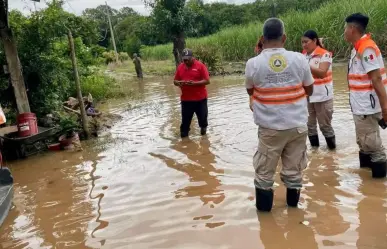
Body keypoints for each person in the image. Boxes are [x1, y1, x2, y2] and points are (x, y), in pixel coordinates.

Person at [245, 18, 314, 212]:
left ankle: (265, 222)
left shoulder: (253, 63)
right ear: (284, 37)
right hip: (298, 126)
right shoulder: (300, 59)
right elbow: (309, 89)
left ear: (262, 38)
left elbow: (251, 91)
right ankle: (294, 214)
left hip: (270, 128)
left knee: (264, 175)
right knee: (294, 173)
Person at [344, 13, 387, 178]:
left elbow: (376, 78)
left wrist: (385, 107)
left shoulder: (366, 47)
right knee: (364, 142)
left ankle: (378, 187)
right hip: (361, 105)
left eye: (345, 28)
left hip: (367, 106)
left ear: (352, 28)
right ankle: (367, 185)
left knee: (373, 146)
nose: (344, 32)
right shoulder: (359, 46)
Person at [301, 30, 336, 149]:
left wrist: (305, 65)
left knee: (325, 126)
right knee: (310, 126)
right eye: (302, 43)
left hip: (322, 97)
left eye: (306, 42)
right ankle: (315, 152)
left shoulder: (324, 54)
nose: (304, 45)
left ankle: (332, 152)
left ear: (315, 41)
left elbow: (322, 73)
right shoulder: (303, 56)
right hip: (307, 97)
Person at [174, 48, 210, 138]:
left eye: (187, 60)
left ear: (192, 58)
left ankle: (204, 137)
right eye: (184, 60)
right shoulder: (180, 67)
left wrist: (194, 83)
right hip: (186, 100)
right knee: (184, 125)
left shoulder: (200, 66)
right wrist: (178, 83)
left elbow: (207, 81)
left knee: (203, 122)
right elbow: (175, 81)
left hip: (200, 100)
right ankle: (184, 142)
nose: (186, 62)